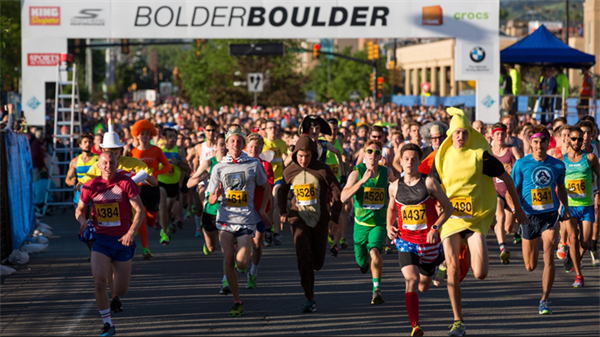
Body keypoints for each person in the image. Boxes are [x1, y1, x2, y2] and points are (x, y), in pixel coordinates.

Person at [429, 107, 528, 336]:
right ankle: (458, 321)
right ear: (451, 135)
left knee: (481, 272)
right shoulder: (441, 157)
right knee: (453, 270)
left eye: (464, 133)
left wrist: (518, 209)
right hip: (452, 218)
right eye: (457, 133)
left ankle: (456, 253)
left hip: (475, 218)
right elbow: (432, 186)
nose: (461, 137)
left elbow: (506, 178)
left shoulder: (479, 155)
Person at [75, 151, 145, 337]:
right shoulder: (91, 186)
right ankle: (108, 324)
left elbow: (139, 211)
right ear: (98, 165)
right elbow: (80, 210)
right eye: (104, 163)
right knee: (99, 280)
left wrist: (131, 232)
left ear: (116, 164)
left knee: (121, 289)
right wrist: (83, 221)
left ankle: (115, 295)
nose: (108, 166)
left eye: (112, 162)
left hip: (123, 240)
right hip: (101, 239)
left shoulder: (125, 183)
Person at [387, 143, 453, 337]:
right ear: (400, 161)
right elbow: (391, 209)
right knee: (412, 280)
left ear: (419, 161)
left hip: (429, 243)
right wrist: (388, 225)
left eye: (413, 159)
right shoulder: (394, 186)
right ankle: (415, 325)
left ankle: (439, 263)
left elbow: (448, 208)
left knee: (424, 286)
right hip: (406, 242)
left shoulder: (429, 183)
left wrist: (435, 227)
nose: (409, 162)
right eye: (406, 159)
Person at [206, 125, 271, 317]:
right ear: (226, 144)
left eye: (239, 141)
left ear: (243, 144)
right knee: (228, 259)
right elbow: (210, 199)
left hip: (245, 220)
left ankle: (240, 271)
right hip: (225, 219)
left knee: (241, 263)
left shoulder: (253, 164)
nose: (235, 144)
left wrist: (262, 209)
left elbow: (266, 187)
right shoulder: (218, 167)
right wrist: (216, 196)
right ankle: (237, 300)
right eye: (232, 141)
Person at [78, 116, 158, 260]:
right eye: (109, 150)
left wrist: (143, 176)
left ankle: (137, 253)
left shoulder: (133, 162)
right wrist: (81, 186)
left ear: (121, 149)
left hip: (129, 209)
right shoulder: (98, 165)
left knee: (127, 241)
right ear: (102, 149)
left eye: (115, 150)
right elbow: (83, 183)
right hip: (106, 212)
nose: (112, 154)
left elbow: (153, 182)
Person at [278, 135, 342, 313]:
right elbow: (281, 191)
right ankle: (309, 297)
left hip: (320, 219)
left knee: (317, 263)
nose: (303, 160)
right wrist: (283, 212)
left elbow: (337, 192)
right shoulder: (289, 171)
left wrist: (334, 217)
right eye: (300, 156)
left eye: (307, 156)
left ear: (313, 154)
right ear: (295, 155)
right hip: (297, 219)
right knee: (303, 256)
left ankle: (312, 271)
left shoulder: (322, 170)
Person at [511, 125, 569, 314]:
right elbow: (513, 191)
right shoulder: (521, 164)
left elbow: (561, 188)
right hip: (528, 217)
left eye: (542, 141)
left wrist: (565, 207)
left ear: (547, 142)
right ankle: (532, 249)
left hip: (550, 214)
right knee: (530, 265)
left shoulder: (558, 165)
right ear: (530, 143)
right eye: (535, 142)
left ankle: (544, 300)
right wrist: (515, 210)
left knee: (549, 251)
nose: (538, 145)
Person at [341, 139, 393, 305]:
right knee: (362, 261)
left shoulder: (386, 172)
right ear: (364, 154)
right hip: (361, 225)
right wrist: (362, 181)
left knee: (375, 252)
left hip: (378, 223)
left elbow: (397, 189)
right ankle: (365, 264)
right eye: (369, 151)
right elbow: (343, 197)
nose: (373, 155)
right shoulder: (356, 172)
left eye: (377, 152)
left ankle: (376, 289)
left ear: (380, 156)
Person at [555, 126, 600, 287]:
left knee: (585, 243)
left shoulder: (590, 158)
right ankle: (579, 275)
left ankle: (573, 257)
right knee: (573, 239)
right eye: (573, 139)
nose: (576, 142)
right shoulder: (562, 161)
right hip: (570, 206)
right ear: (568, 140)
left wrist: (598, 193)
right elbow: (557, 184)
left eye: (579, 139)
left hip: (586, 205)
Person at [129, 120, 172, 248]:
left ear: (151, 135)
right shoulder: (132, 153)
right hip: (138, 188)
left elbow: (167, 166)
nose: (145, 136)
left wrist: (155, 172)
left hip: (153, 187)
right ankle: (145, 248)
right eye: (142, 134)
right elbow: (128, 169)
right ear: (137, 135)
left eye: (147, 134)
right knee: (140, 216)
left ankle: (152, 223)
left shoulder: (157, 150)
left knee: (152, 220)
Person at [187, 133, 226, 256]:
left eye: (226, 144)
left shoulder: (235, 163)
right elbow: (189, 183)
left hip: (229, 206)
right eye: (221, 144)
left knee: (227, 244)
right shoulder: (208, 163)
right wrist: (201, 178)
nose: (224, 147)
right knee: (212, 247)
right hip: (211, 208)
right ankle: (208, 244)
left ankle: (230, 268)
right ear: (215, 146)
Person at [245, 132, 274, 289]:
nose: (254, 149)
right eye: (251, 147)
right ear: (246, 147)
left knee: (257, 245)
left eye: (257, 147)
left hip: (259, 210)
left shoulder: (266, 166)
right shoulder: (239, 163)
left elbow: (267, 188)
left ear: (262, 148)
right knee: (244, 242)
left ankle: (253, 273)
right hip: (242, 210)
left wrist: (265, 210)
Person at [490, 123, 522, 265]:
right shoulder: (489, 152)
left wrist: (513, 168)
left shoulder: (512, 150)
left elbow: (523, 165)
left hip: (510, 191)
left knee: (508, 227)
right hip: (495, 190)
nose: (500, 137)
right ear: (493, 136)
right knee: (500, 216)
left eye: (502, 134)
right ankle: (503, 249)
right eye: (497, 134)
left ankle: (498, 229)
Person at [65, 133, 98, 251]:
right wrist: (71, 181)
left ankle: (96, 251)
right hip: (81, 196)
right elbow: (67, 180)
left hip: (95, 195)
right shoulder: (75, 161)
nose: (88, 144)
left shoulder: (98, 158)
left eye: (89, 142)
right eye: (85, 142)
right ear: (80, 145)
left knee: (93, 224)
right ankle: (93, 252)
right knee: (85, 226)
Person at [158, 128, 190, 234]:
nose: (173, 139)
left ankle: (171, 220)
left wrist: (178, 163)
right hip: (161, 182)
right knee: (162, 207)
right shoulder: (159, 150)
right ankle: (164, 232)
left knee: (168, 211)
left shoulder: (180, 151)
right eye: (170, 136)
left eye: (175, 137)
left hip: (174, 184)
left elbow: (187, 169)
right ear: (164, 138)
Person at [262, 120, 288, 246]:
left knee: (276, 200)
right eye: (270, 128)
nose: (273, 130)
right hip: (265, 178)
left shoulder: (282, 144)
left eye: (275, 128)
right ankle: (268, 230)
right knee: (269, 205)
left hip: (277, 177)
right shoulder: (262, 143)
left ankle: (276, 233)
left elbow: (287, 159)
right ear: (265, 129)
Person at [193, 119, 218, 236]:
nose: (211, 133)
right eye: (208, 130)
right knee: (202, 205)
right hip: (203, 180)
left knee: (212, 206)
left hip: (216, 180)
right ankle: (199, 226)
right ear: (204, 131)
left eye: (213, 130)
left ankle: (211, 229)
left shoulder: (219, 147)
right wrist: (195, 174)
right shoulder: (199, 147)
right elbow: (195, 162)